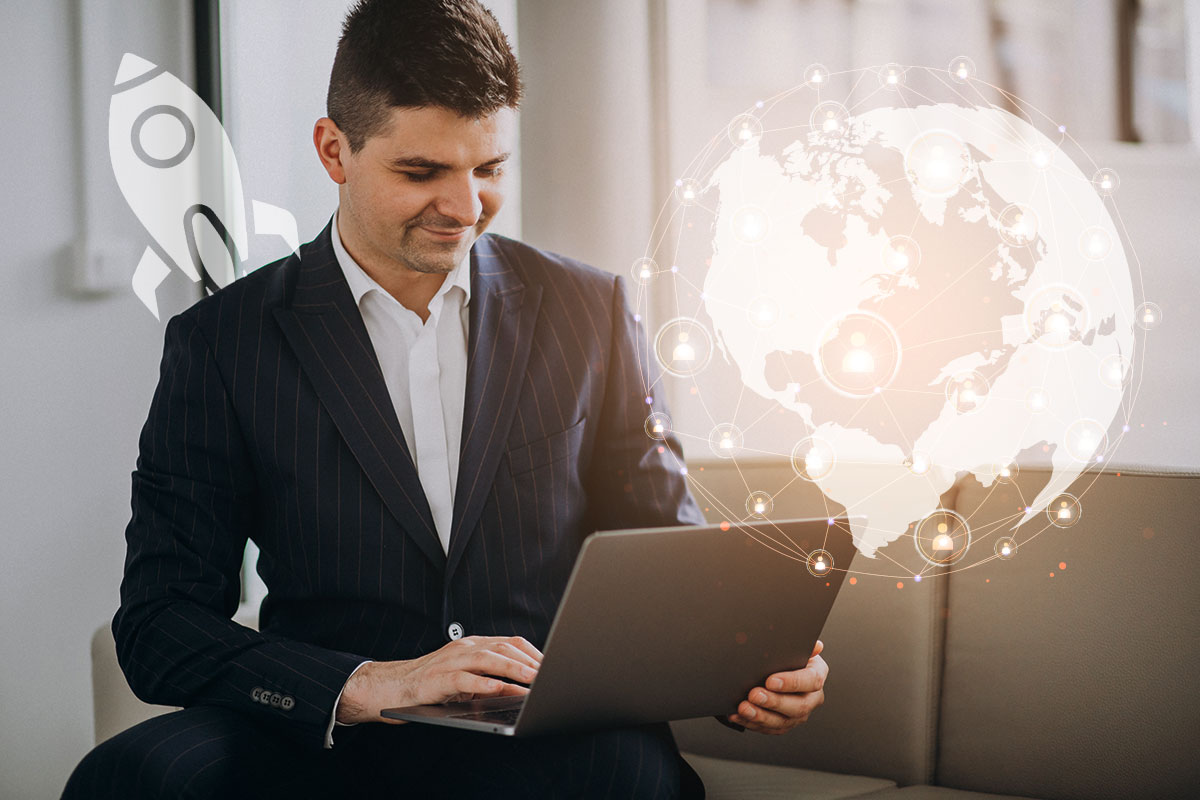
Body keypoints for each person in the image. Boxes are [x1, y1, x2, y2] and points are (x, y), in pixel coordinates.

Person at [62, 1, 828, 797]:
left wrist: (750, 666)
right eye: (422, 172)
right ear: (334, 150)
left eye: (489, 169)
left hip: (542, 734)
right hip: (335, 731)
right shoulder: (223, 342)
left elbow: (668, 557)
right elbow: (158, 624)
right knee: (134, 775)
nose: (465, 208)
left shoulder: (588, 310)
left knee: (628, 778)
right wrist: (368, 684)